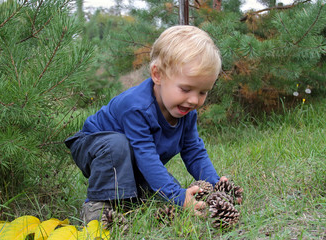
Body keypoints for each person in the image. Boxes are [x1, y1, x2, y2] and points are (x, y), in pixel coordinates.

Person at [65, 25, 228, 224]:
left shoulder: (185, 111)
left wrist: (216, 185)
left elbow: (194, 151)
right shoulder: (136, 107)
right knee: (117, 145)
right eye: (186, 89)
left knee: (159, 194)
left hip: (131, 155)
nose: (194, 100)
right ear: (157, 75)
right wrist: (177, 195)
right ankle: (99, 206)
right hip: (93, 146)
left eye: (202, 92)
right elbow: (147, 156)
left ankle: (132, 198)